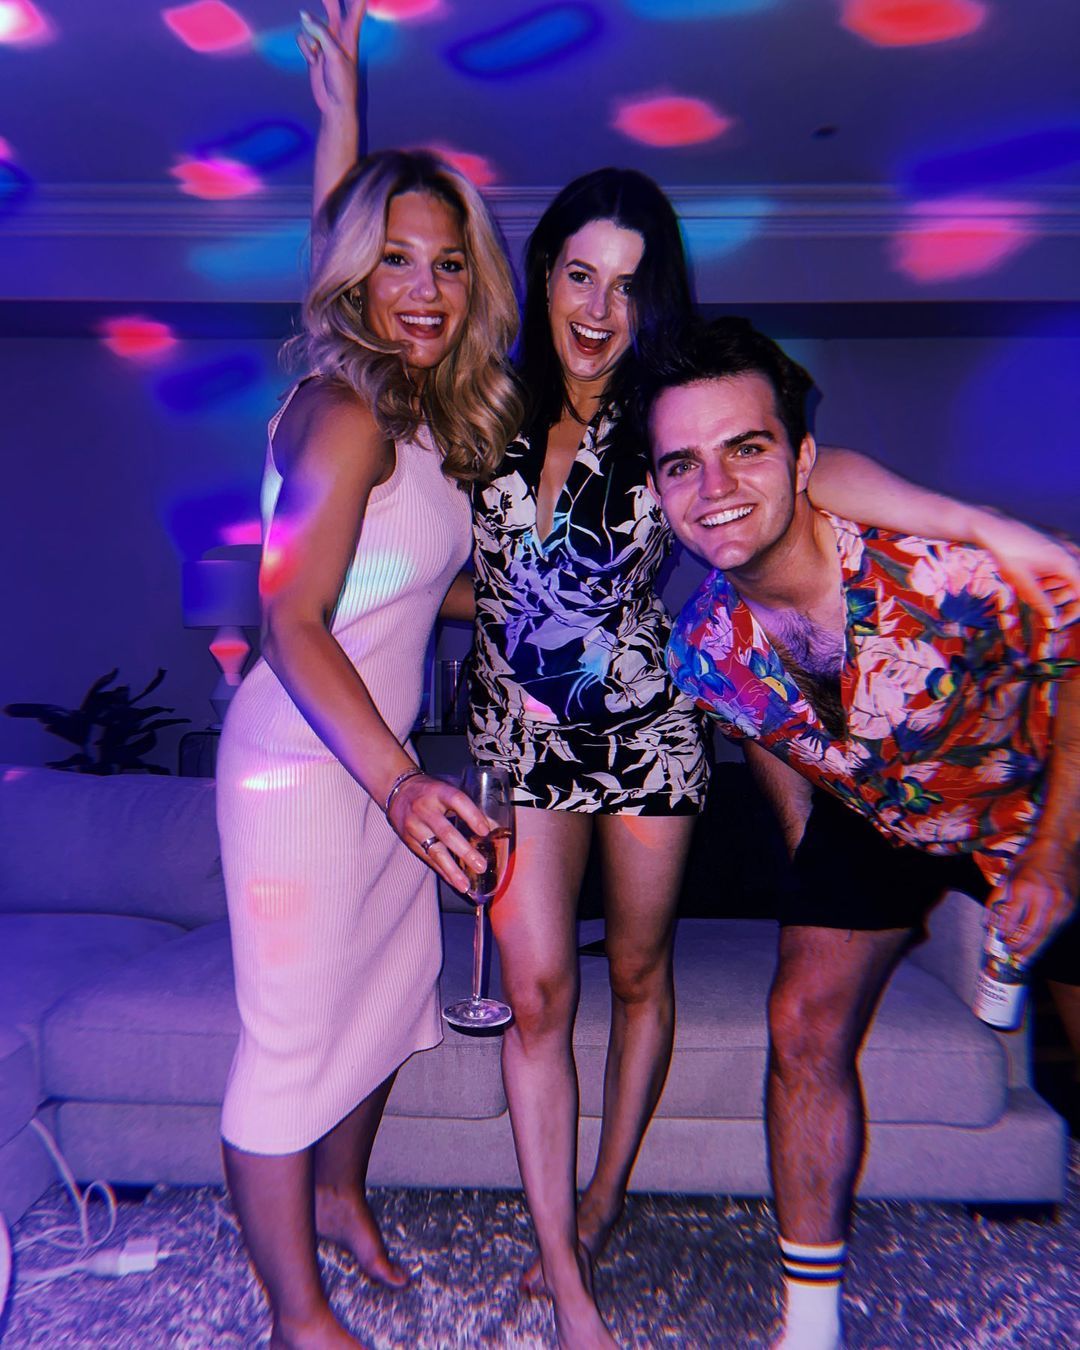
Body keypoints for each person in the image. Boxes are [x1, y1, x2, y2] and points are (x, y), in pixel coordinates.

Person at [299, 9, 1080, 1348]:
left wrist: (971, 522)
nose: (600, 309)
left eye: (628, 283)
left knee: (640, 972)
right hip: (525, 737)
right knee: (537, 995)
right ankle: (566, 1266)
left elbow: (810, 467)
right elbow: (360, 306)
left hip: (652, 731)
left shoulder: (668, 408)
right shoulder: (480, 399)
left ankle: (608, 1188)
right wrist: (342, 131)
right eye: (578, 275)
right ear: (542, 276)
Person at [643, 317, 1080, 1350]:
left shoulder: (943, 571)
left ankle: (1019, 951)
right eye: (681, 464)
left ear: (803, 461)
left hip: (1029, 792)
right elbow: (768, 734)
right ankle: (810, 1327)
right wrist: (807, 855)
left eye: (746, 447)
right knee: (801, 1020)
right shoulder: (701, 647)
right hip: (876, 810)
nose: (715, 487)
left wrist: (1055, 856)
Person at [215, 145, 522, 1349]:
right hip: (302, 768)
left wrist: (524, 600)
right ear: (353, 275)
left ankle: (339, 1197)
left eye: (449, 263)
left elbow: (398, 584)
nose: (425, 289)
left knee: (393, 995)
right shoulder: (342, 415)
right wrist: (399, 784)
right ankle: (298, 1318)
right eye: (394, 260)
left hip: (377, 762)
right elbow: (293, 615)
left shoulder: (417, 416)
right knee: (290, 1038)